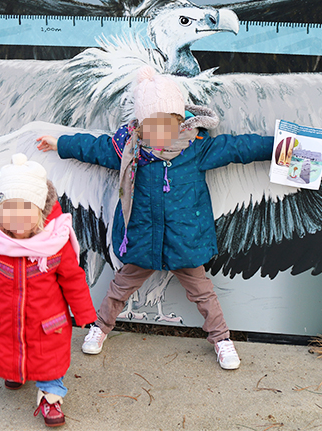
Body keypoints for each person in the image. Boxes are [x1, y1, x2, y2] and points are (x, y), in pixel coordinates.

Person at [36, 66, 273, 370]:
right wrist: (59, 143)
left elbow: (241, 148)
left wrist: (279, 145)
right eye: (152, 125)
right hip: (142, 240)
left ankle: (222, 339)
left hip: (185, 242)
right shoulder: (127, 150)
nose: (160, 132)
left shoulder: (197, 149)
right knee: (119, 287)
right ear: (141, 124)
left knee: (203, 293)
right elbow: (91, 148)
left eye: (167, 123)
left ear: (180, 121)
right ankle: (100, 328)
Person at [0, 153, 97, 427]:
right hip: (5, 317)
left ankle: (51, 395)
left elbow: (72, 278)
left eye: (26, 209)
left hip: (47, 322)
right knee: (9, 348)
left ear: (40, 212)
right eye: (10, 209)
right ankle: (16, 370)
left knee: (48, 361)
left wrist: (84, 313)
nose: (18, 217)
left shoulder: (54, 242)